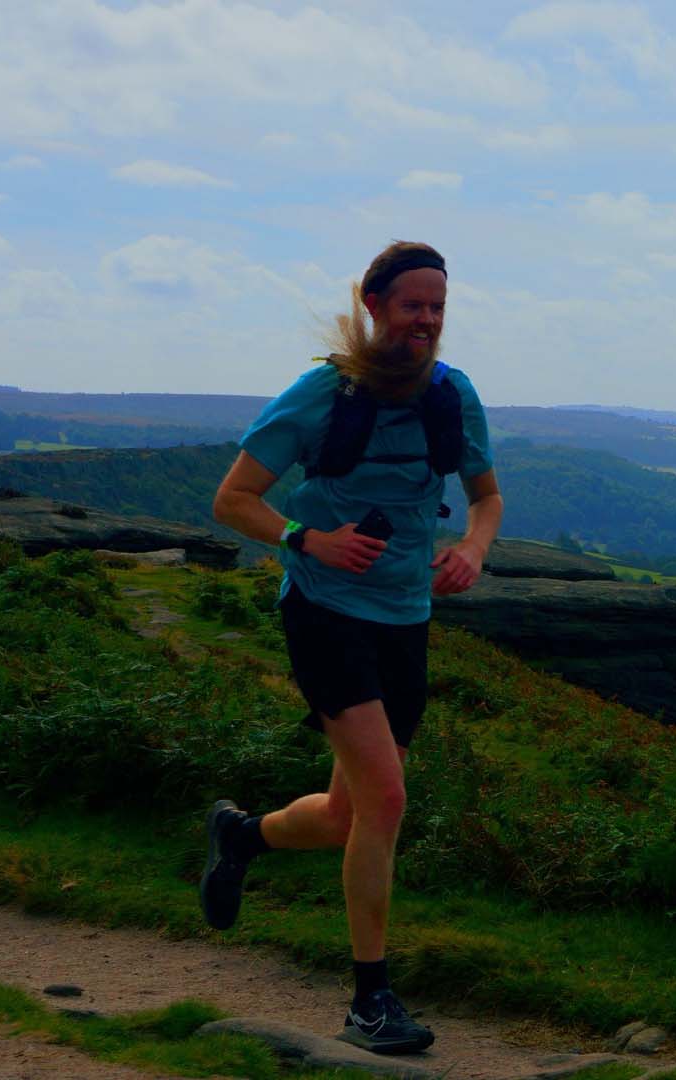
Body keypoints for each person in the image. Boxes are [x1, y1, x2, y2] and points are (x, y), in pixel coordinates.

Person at [203, 241, 501, 1055]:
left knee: (346, 816)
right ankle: (370, 1001)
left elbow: (486, 496)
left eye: (438, 308)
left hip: (405, 616)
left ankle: (242, 835)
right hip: (327, 610)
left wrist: (473, 549)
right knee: (389, 801)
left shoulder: (452, 394)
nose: (428, 322)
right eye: (413, 306)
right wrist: (309, 538)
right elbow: (234, 501)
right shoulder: (321, 394)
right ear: (373, 305)